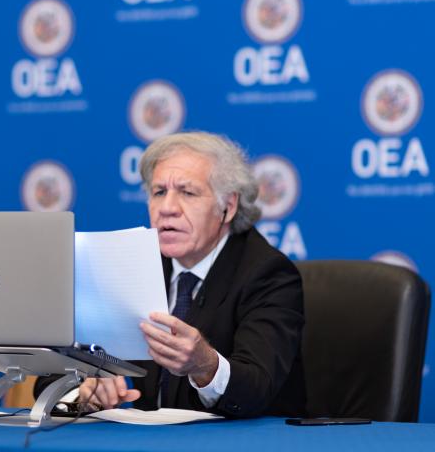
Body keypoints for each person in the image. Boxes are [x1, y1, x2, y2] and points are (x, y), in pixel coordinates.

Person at [36, 131, 306, 418]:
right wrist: (85, 390)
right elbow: (49, 375)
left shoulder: (268, 275)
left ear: (228, 206)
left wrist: (207, 365)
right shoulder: (133, 263)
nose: (167, 209)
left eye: (187, 193)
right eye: (159, 192)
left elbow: (257, 388)